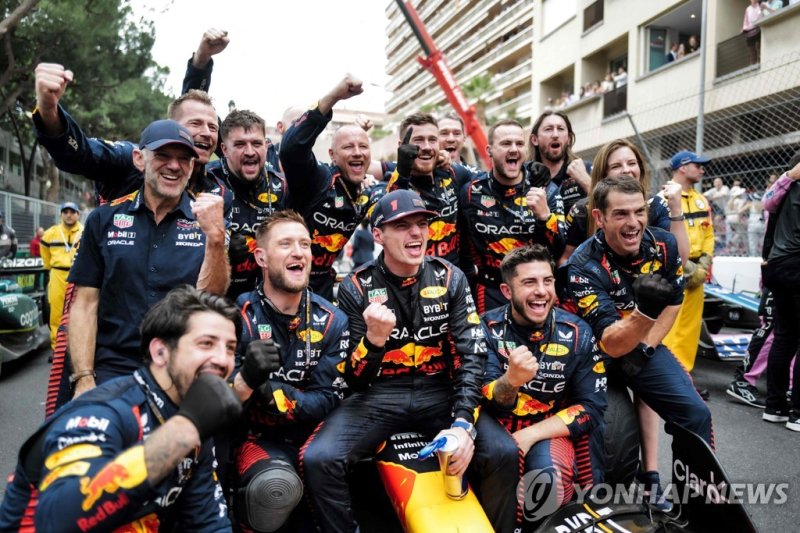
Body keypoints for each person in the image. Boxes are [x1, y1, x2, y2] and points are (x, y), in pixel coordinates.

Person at [301, 189, 519, 532]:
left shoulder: (451, 277)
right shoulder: (356, 286)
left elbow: (472, 356)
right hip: (377, 395)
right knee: (320, 459)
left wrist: (463, 424)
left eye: (422, 223)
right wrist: (373, 342)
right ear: (378, 235)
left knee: (503, 452)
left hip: (440, 391)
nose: (416, 232)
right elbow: (352, 380)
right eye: (402, 225)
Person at [0, 286, 266, 531]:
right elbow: (59, 521)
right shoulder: (104, 412)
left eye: (230, 348)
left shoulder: (191, 420)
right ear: (160, 352)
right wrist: (185, 428)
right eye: (206, 344)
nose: (222, 360)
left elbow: (207, 522)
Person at [564, 176, 713, 507]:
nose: (633, 224)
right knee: (595, 431)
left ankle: (697, 501)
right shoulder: (582, 265)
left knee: (695, 413)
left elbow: (674, 300)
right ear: (599, 218)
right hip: (593, 353)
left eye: (639, 212)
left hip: (640, 344)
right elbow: (611, 343)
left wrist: (647, 347)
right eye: (620, 214)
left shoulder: (663, 245)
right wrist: (644, 312)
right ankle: (595, 509)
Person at [66, 119, 229, 400]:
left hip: (181, 370)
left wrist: (215, 239)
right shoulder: (102, 220)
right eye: (163, 156)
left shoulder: (209, 222)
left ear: (192, 167)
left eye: (183, 159)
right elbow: (84, 306)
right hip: (113, 370)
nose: (175, 166)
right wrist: (83, 379)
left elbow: (210, 303)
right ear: (139, 159)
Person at [232, 210, 349, 532]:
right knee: (274, 486)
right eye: (285, 244)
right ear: (261, 257)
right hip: (257, 438)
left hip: (315, 439)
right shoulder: (235, 315)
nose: (299, 252)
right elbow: (225, 397)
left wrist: (273, 393)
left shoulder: (333, 320)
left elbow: (328, 398)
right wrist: (249, 384)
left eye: (305, 245)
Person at [481, 245, 606, 526]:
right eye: (529, 282)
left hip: (546, 429)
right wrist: (510, 381)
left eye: (547, 281)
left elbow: (593, 408)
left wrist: (530, 435)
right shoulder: (485, 329)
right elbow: (485, 402)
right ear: (506, 291)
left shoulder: (578, 333)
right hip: (494, 431)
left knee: (546, 483)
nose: (541, 291)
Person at [33, 63, 232, 210]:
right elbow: (81, 154)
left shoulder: (217, 189)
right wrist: (49, 110)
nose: (206, 132)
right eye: (195, 123)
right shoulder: (130, 158)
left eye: (213, 127)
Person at [279, 74, 374, 301]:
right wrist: (333, 97)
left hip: (321, 293)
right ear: (332, 155)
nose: (358, 152)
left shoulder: (368, 192)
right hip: (284, 288)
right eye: (348, 147)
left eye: (363, 146)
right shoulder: (318, 177)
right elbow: (291, 149)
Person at [458, 119, 566, 313]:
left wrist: (545, 217)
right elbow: (463, 249)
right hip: (490, 291)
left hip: (536, 291)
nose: (514, 149)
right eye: (506, 143)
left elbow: (559, 250)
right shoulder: (470, 192)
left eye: (519, 143)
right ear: (489, 150)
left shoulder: (546, 190)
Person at [562, 139, 689, 266]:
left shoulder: (656, 205)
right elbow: (565, 260)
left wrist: (676, 210)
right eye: (616, 166)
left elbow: (679, 260)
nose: (626, 170)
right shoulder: (581, 210)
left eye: (632, 163)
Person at [207, 109, 288, 299]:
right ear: (224, 149)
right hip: (216, 298)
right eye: (240, 144)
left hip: (264, 300)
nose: (250, 151)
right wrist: (223, 251)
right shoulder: (206, 180)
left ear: (266, 146)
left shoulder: (282, 186)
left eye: (256, 143)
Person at [388, 113, 467, 266]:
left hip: (454, 280)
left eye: (432, 140)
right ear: (401, 145)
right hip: (413, 282)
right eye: (418, 140)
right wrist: (403, 171)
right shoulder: (395, 183)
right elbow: (389, 216)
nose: (426, 147)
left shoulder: (453, 173)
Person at [662, 150, 715, 377]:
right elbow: (662, 237)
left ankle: (684, 376)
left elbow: (709, 235)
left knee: (690, 329)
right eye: (698, 165)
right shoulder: (664, 197)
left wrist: (703, 265)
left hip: (697, 274)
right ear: (683, 167)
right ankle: (667, 376)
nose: (702, 169)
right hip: (675, 270)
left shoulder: (700, 199)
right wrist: (687, 267)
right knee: (669, 327)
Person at [760, 155, 800, 430]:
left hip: (777, 265)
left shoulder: (784, 189)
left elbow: (768, 210)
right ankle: (798, 412)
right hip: (797, 264)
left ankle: (775, 406)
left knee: (784, 337)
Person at [528, 111, 590, 215]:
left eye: (560, 129)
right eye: (548, 129)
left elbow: (609, 206)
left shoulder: (586, 169)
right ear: (535, 139)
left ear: (569, 138)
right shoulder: (525, 176)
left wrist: (586, 181)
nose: (555, 135)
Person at [40, 202, 83, 349]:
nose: (69, 215)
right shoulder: (50, 233)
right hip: (57, 274)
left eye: (72, 212)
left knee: (80, 312)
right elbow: (44, 252)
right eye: (65, 212)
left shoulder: (85, 231)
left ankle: (76, 347)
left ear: (78, 214)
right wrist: (49, 267)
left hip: (79, 276)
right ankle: (57, 348)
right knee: (56, 313)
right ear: (61, 214)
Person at [743, 0, 764, 65]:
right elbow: (745, 21)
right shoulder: (748, 9)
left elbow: (761, 16)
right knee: (751, 50)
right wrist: (744, 28)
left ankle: (759, 62)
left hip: (758, 30)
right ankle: (752, 65)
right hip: (749, 33)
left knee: (759, 47)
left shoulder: (760, 5)